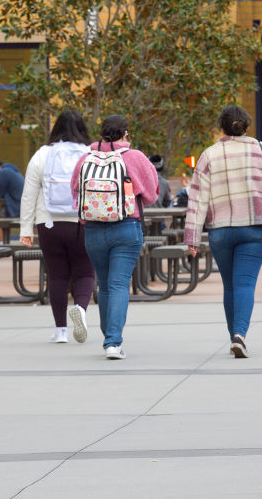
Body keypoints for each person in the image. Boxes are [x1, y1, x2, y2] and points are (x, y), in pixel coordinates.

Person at [184, 106, 262, 359]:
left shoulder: (209, 155)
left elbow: (197, 200)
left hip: (220, 230)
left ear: (222, 127)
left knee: (230, 285)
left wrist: (192, 238)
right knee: (245, 283)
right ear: (246, 126)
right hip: (255, 228)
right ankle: (239, 336)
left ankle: (234, 337)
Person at [71, 115, 159, 360]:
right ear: (125, 134)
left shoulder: (85, 158)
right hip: (126, 227)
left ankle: (108, 337)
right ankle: (113, 342)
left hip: (93, 229)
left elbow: (74, 191)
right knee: (119, 283)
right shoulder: (134, 157)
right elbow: (151, 194)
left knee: (105, 283)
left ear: (101, 134)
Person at [18, 110, 95, 344]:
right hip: (82, 222)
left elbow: (28, 195)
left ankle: (60, 330)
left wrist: (25, 229)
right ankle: (81, 309)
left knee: (57, 275)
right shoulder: (90, 154)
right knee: (84, 271)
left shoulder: (42, 155)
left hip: (48, 223)